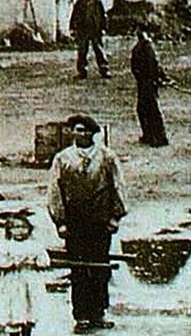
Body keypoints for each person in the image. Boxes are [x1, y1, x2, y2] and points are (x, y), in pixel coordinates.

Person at [48, 113, 127, 333]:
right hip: (75, 224)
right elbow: (55, 192)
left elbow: (118, 187)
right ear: (72, 132)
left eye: (86, 130)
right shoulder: (62, 159)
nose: (82, 134)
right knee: (79, 269)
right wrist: (60, 222)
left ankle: (98, 313)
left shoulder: (107, 157)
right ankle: (81, 315)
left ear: (94, 133)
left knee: (100, 268)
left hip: (100, 222)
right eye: (78, 130)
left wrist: (115, 217)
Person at [0, 211, 44, 336]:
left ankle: (27, 331)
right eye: (16, 227)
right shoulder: (5, 246)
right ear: (9, 230)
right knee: (14, 308)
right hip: (13, 282)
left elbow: (44, 260)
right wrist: (12, 264)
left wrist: (35, 262)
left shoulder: (35, 245)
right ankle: (14, 332)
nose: (20, 231)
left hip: (29, 280)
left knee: (29, 307)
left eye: (23, 227)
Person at [129, 25, 171, 147]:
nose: (139, 33)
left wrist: (159, 78)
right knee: (144, 110)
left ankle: (159, 138)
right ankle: (150, 135)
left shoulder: (146, 47)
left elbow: (154, 65)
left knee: (150, 110)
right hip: (143, 82)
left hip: (147, 82)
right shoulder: (141, 47)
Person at [70, 0, 109, 79]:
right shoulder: (79, 3)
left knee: (99, 50)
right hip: (83, 31)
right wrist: (73, 29)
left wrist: (104, 28)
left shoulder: (97, 3)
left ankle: (104, 70)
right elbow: (74, 16)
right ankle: (82, 71)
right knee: (82, 51)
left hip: (95, 31)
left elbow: (103, 16)